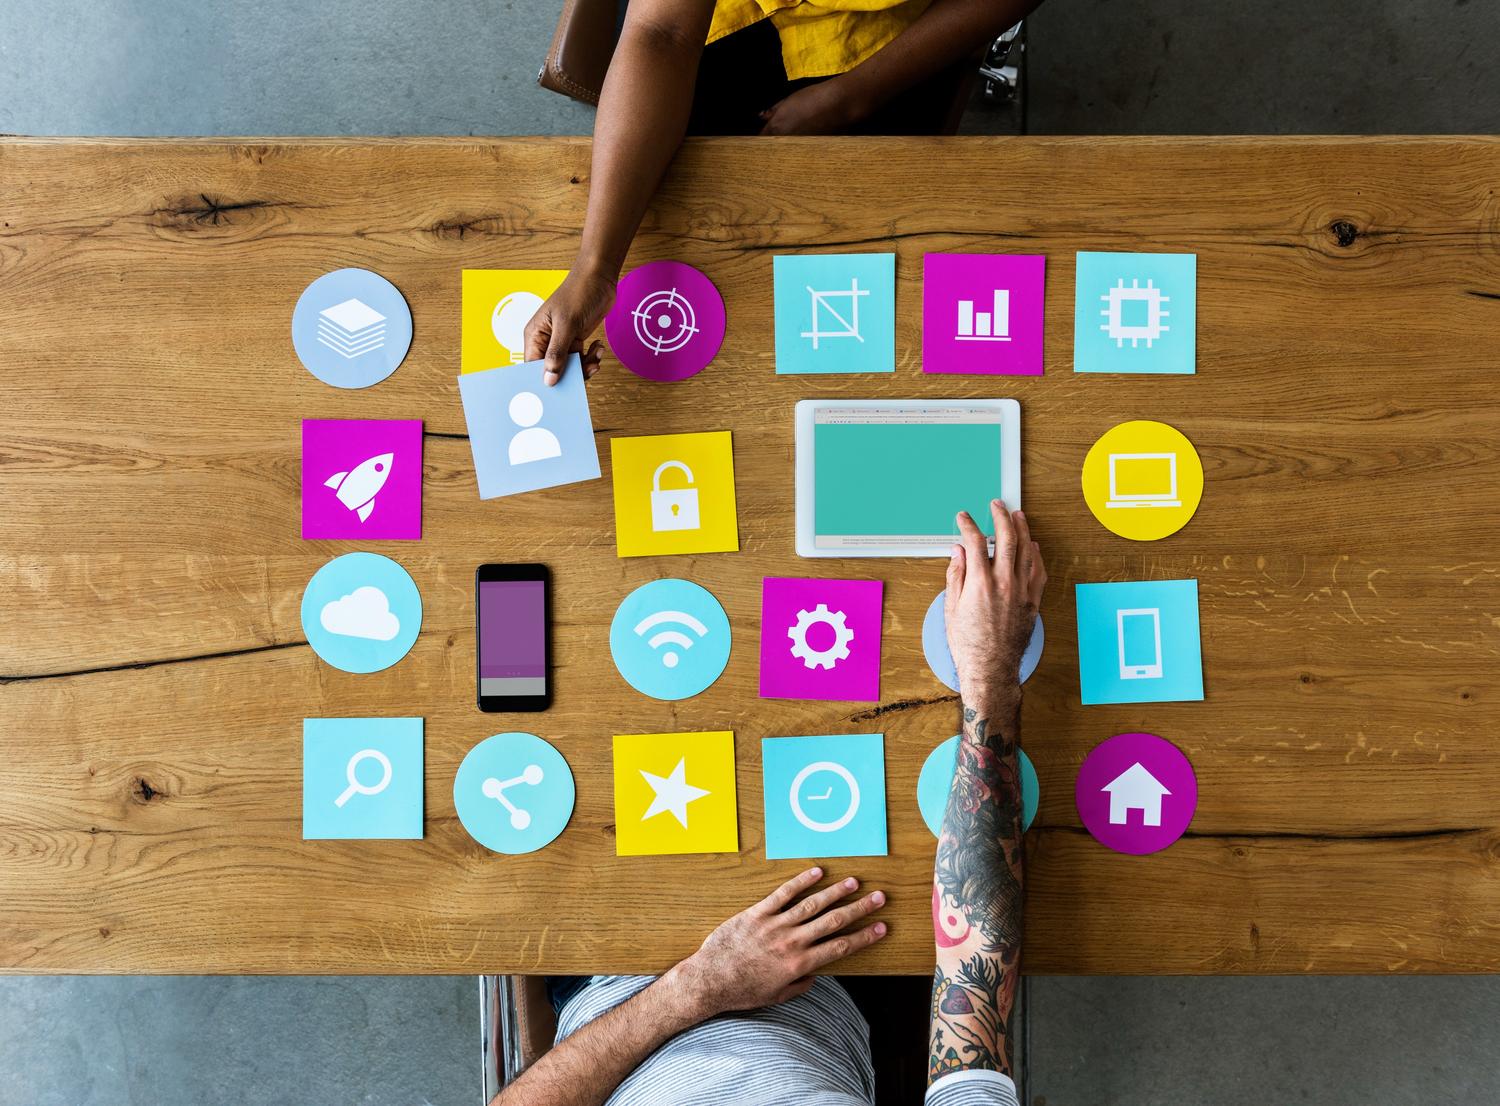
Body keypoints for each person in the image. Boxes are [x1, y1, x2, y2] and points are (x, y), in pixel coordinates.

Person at [491, 500, 1045, 1105]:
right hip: (822, 972)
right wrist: (990, 674)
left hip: (617, 989)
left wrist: (697, 988)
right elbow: (976, 964)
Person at [524, 0, 1043, 385]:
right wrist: (595, 268)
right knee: (689, 213)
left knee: (870, 284)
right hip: (726, 16)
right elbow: (662, 32)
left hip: (891, 33)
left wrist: (850, 97)